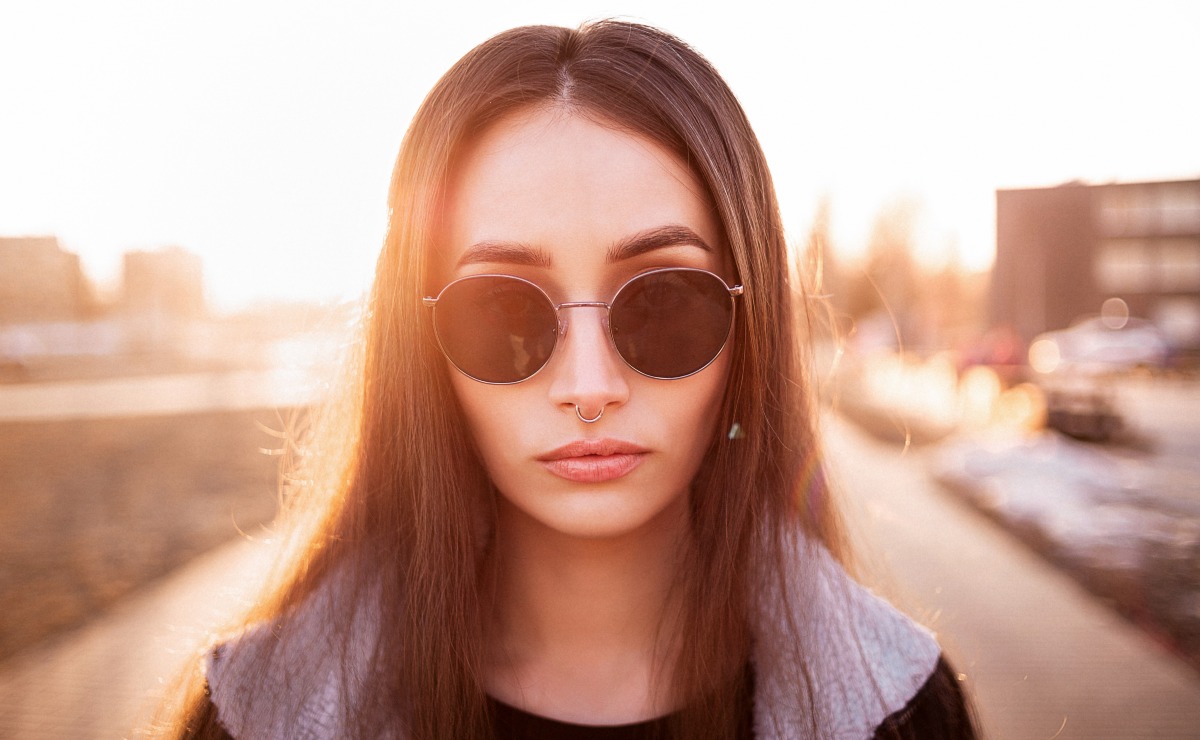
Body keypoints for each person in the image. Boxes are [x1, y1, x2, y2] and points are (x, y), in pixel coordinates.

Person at [160, 19, 975, 739]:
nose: (589, 386)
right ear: (419, 346)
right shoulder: (256, 716)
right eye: (502, 313)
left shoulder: (902, 715)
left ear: (752, 328)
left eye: (663, 302)